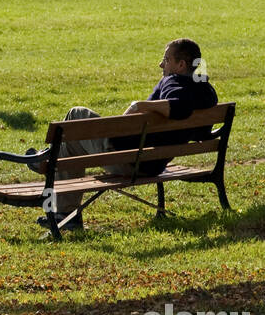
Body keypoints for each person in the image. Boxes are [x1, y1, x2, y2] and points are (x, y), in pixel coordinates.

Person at [32, 39, 218, 230]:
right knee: (70, 144)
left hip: (128, 160)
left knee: (76, 114)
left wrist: (140, 105)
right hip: (154, 164)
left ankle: (49, 165)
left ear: (181, 65)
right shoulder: (205, 89)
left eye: (166, 59)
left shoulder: (172, 81)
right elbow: (202, 128)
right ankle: (51, 163)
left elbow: (180, 107)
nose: (161, 64)